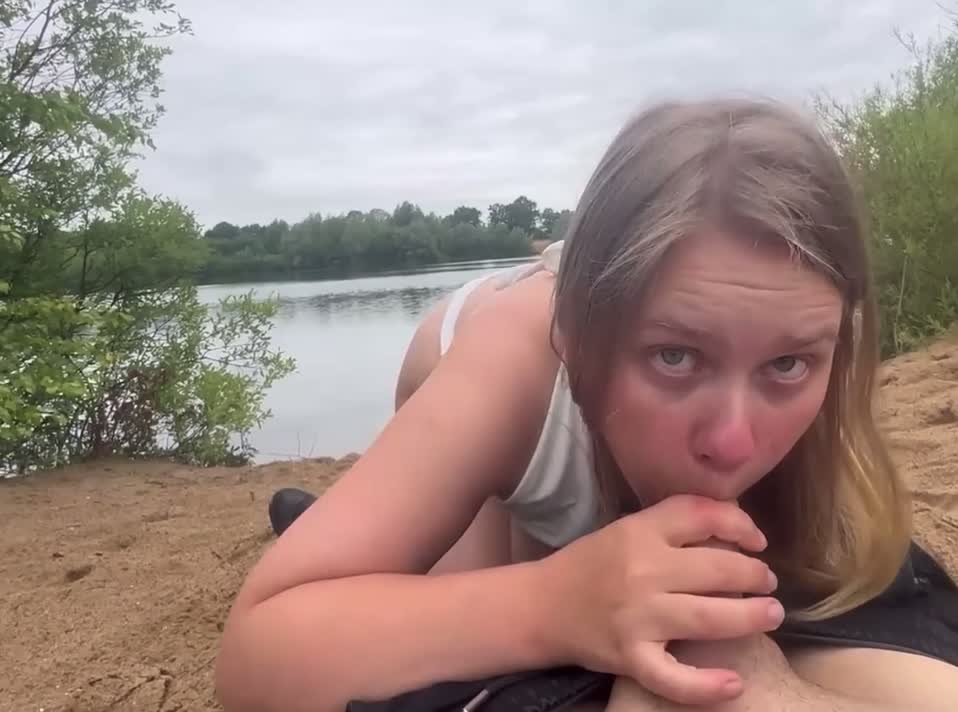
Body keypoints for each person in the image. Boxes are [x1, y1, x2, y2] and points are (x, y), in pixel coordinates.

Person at [214, 97, 958, 712]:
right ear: (576, 336)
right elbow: (257, 655)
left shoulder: (799, 334)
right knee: (455, 618)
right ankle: (343, 527)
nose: (734, 441)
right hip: (490, 390)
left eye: (787, 365)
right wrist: (551, 601)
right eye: (674, 357)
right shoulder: (512, 370)